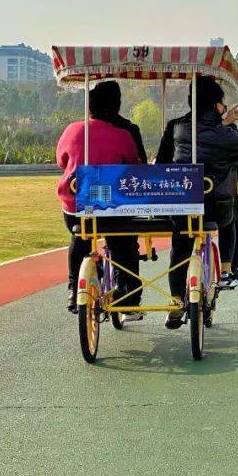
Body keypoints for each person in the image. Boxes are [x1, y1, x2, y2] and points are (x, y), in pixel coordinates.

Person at [156, 75, 238, 329]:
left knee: (180, 245)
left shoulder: (176, 127)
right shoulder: (225, 135)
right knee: (237, 209)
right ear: (217, 106)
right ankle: (227, 269)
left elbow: (162, 163)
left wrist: (225, 120)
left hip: (181, 205)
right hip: (215, 208)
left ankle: (175, 303)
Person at [55, 81, 142, 315]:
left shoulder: (71, 130)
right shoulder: (123, 135)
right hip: (111, 209)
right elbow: (134, 166)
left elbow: (62, 162)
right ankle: (128, 297)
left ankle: (74, 289)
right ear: (116, 107)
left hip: (75, 206)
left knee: (80, 237)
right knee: (124, 245)